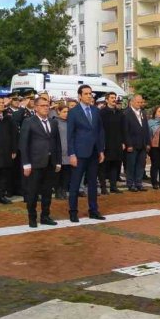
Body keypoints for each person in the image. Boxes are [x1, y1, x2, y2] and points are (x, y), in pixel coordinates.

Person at [19, 96, 62, 227]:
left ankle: (45, 216)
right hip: (35, 163)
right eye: (43, 105)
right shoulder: (29, 122)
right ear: (36, 107)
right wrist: (26, 163)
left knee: (47, 192)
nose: (46, 107)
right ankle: (32, 218)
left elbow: (57, 143)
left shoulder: (53, 122)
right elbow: (23, 144)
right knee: (32, 192)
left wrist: (58, 161)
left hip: (50, 162)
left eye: (47, 105)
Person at [66, 84, 105, 222]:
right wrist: (71, 154)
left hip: (94, 152)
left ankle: (93, 210)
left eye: (90, 93)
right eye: (86, 94)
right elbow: (69, 135)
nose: (89, 96)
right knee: (75, 184)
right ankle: (73, 211)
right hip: (79, 153)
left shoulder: (95, 111)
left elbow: (100, 131)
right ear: (80, 96)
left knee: (93, 183)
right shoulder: (73, 112)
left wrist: (101, 150)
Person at [99, 91, 125, 195]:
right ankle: (103, 187)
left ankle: (113, 186)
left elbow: (123, 128)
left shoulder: (119, 112)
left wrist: (123, 141)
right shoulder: (102, 112)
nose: (114, 99)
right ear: (107, 100)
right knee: (103, 166)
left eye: (115, 97)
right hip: (106, 143)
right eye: (112, 98)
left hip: (117, 143)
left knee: (115, 165)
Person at [123, 94, 150, 192]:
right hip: (132, 145)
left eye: (141, 102)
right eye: (138, 102)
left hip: (142, 144)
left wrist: (147, 143)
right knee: (131, 165)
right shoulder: (126, 113)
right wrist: (128, 144)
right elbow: (125, 131)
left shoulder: (143, 113)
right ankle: (130, 184)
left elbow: (146, 129)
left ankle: (139, 183)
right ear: (132, 102)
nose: (140, 104)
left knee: (141, 165)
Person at [55, 103, 72, 199]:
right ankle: (58, 190)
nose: (66, 114)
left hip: (69, 151)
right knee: (58, 173)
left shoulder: (70, 122)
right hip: (59, 151)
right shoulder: (55, 122)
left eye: (67, 112)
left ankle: (64, 190)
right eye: (64, 112)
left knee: (67, 173)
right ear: (58, 112)